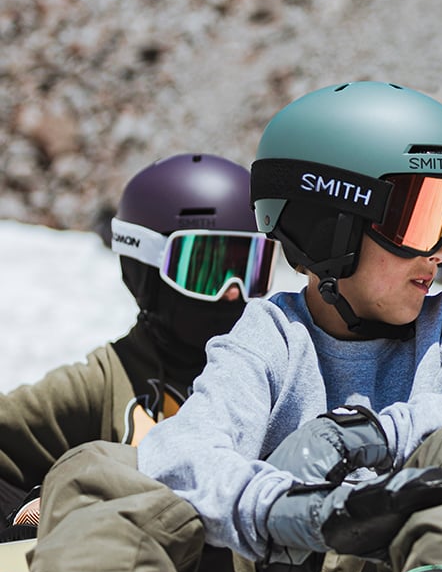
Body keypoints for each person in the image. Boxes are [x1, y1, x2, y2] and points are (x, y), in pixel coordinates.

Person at [0, 81, 442, 572]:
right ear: (331, 225)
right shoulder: (269, 334)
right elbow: (188, 448)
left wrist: (363, 435)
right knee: (103, 468)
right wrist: (279, 509)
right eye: (420, 219)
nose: (440, 251)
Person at [0, 153, 276, 540]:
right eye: (206, 269)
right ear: (144, 270)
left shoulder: (277, 371)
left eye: (249, 267)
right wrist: (35, 517)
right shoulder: (106, 383)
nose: (232, 292)